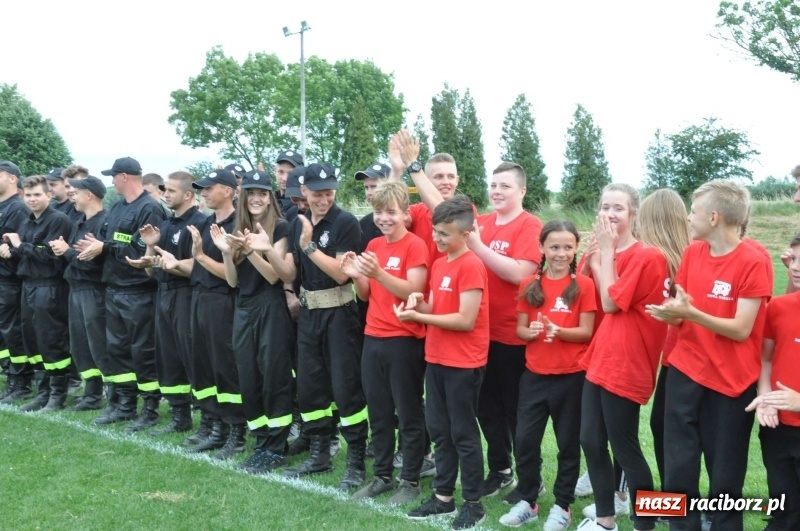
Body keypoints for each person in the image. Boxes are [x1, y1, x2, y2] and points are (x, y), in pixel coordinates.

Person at [647, 180, 772, 531]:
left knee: (725, 484)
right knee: (677, 473)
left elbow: (741, 329)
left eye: (694, 211)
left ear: (714, 217)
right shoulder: (692, 253)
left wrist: (689, 314)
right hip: (685, 375)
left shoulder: (753, 261)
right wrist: (670, 310)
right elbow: (683, 302)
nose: (688, 217)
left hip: (731, 388)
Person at [577, 183, 678, 531]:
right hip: (600, 357)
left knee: (625, 448)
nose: (610, 215)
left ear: (634, 213)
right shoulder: (605, 251)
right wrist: (596, 258)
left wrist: (604, 255)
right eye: (605, 207)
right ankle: (606, 517)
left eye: (618, 208)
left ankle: (644, 523)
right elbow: (588, 299)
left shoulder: (648, 256)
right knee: (590, 438)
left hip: (627, 362)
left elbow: (611, 302)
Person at [397, 195, 489, 530]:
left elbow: (465, 320)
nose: (436, 238)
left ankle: (474, 503)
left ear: (465, 235)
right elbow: (435, 310)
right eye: (435, 231)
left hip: (463, 363)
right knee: (440, 430)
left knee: (463, 433)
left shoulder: (471, 265)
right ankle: (444, 497)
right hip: (436, 358)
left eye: (444, 234)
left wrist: (427, 318)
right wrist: (415, 308)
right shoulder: (441, 263)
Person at [499, 219, 596, 530]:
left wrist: (560, 331)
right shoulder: (529, 284)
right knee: (525, 441)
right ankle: (528, 499)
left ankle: (563, 505)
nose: (561, 253)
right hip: (534, 377)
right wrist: (533, 331)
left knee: (568, 444)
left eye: (568, 247)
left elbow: (586, 332)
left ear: (575, 248)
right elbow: (521, 329)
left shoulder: (584, 285)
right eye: (554, 246)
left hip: (571, 379)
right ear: (542, 248)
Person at [281, 163, 368, 492]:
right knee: (311, 388)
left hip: (339, 313)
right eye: (317, 193)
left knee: (346, 389)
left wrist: (309, 246)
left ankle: (356, 460)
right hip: (309, 315)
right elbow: (292, 273)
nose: (324, 199)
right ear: (304, 192)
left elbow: (342, 274)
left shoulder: (345, 222)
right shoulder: (297, 223)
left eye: (329, 192)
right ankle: (320, 453)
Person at [343, 181, 429, 505]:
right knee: (378, 412)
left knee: (407, 413)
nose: (384, 218)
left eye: (391, 211)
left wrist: (377, 274)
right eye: (379, 212)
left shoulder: (415, 245)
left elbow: (413, 292)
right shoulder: (375, 245)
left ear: (406, 213)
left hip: (403, 340)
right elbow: (365, 295)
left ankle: (411, 480)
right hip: (373, 337)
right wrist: (356, 274)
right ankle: (381, 475)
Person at [465, 162, 542, 500]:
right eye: (493, 185)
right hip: (480, 334)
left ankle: (531, 478)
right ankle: (500, 470)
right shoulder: (480, 223)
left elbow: (521, 275)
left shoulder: (530, 226)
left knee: (517, 413)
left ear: (522, 191)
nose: (496, 191)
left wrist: (479, 247)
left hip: (513, 336)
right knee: (486, 407)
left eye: (505, 186)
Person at [214, 167, 295, 473]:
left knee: (273, 376)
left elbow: (275, 276)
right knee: (248, 377)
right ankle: (261, 441)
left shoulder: (280, 228)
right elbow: (233, 282)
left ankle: (276, 447)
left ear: (270, 197)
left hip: (270, 307)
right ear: (243, 196)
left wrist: (250, 251)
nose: (257, 199)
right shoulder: (238, 228)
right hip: (244, 307)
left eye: (263, 193)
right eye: (252, 193)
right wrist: (226, 253)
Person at [77, 157, 166, 428]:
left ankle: (150, 408)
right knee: (117, 350)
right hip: (114, 289)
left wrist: (105, 248)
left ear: (125, 177)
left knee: (143, 350)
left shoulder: (150, 208)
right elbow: (111, 240)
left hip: (139, 290)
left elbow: (141, 250)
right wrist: (98, 245)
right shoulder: (116, 207)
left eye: (114, 177)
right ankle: (125, 404)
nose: (112, 182)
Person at [132, 171, 206, 436]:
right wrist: (150, 249)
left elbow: (199, 268)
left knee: (193, 358)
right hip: (163, 296)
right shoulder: (164, 225)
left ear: (188, 194)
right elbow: (151, 273)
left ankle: (209, 421)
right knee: (169, 358)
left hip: (187, 297)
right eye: (164, 190)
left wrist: (173, 266)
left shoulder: (200, 223)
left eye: (171, 190)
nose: (165, 194)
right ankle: (179, 415)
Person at [185, 168, 246, 459]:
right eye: (203, 188)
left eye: (210, 188)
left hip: (223, 301)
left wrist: (200, 256)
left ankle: (236, 429)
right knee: (204, 365)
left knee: (226, 366)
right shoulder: (206, 222)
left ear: (229, 190)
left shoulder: (238, 225)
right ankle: (214, 425)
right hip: (199, 299)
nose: (204, 193)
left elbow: (228, 275)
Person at [2, 175, 73, 411]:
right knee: (32, 340)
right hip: (28, 286)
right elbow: (27, 254)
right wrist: (11, 251)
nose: (32, 199)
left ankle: (57, 395)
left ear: (49, 195)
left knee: (51, 340)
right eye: (29, 195)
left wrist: (20, 245)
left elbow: (50, 255)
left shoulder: (58, 220)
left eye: (37, 195)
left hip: (50, 287)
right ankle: (42, 392)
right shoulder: (27, 222)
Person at [745, 231, 800, 530]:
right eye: (793, 258)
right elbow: (766, 359)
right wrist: (766, 398)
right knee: (783, 503)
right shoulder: (778, 308)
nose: (795, 266)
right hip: (778, 427)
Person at [50, 176, 110, 411]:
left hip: (93, 290)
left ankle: (113, 396)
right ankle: (92, 394)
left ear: (90, 195)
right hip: (76, 289)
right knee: (81, 346)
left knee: (98, 344)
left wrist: (66, 252)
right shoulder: (80, 223)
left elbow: (92, 264)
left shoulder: (104, 223)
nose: (71, 194)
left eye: (75, 191)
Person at [0, 161, 34, 405]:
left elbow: (13, 247)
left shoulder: (17, 208)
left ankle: (21, 382)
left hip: (10, 280)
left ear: (12, 178)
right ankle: (10, 376)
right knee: (3, 335)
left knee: (13, 332)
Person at [274, 150, 304, 217]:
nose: (284, 178)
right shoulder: (268, 201)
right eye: (281, 172)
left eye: (290, 173)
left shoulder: (304, 206)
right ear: (275, 171)